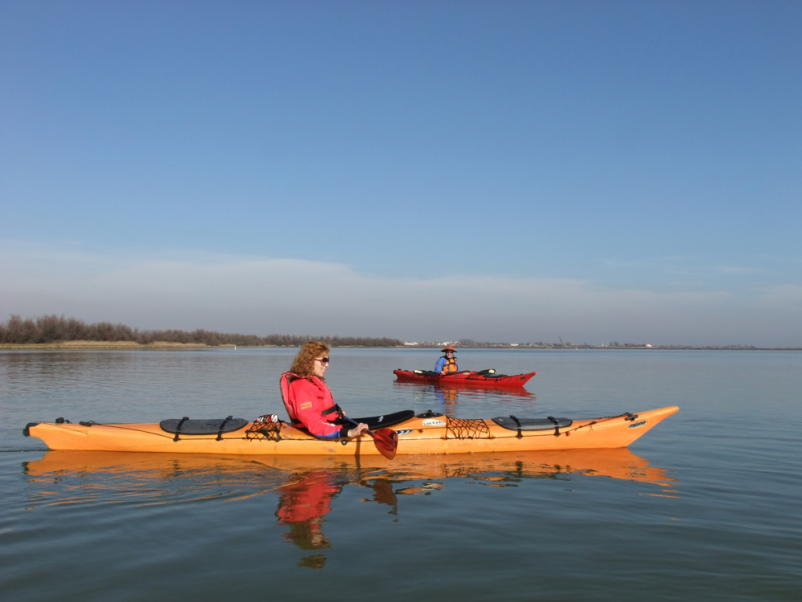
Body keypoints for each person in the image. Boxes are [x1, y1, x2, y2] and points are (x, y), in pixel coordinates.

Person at [282, 341, 369, 439]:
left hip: (328, 424)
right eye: (324, 360)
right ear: (309, 361)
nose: (327, 365)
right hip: (320, 430)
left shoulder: (311, 382)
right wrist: (349, 433)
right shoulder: (301, 386)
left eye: (328, 360)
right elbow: (314, 423)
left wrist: (334, 414)